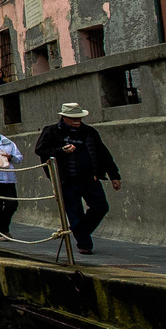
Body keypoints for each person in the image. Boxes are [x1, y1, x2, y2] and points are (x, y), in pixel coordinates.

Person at [35, 103, 121, 255]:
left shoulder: (89, 132)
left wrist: (114, 175)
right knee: (75, 212)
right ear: (64, 117)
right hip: (67, 180)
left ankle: (79, 231)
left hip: (90, 178)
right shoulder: (52, 131)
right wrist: (61, 151)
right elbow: (41, 150)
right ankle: (84, 244)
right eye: (72, 118)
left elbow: (103, 153)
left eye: (79, 118)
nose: (77, 121)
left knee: (100, 207)